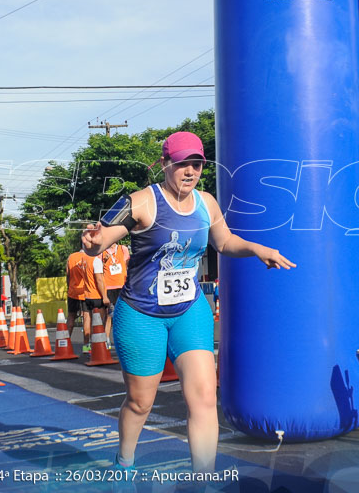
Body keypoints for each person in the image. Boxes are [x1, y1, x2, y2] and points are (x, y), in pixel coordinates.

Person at [81, 131, 295, 475]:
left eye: (196, 163)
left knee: (205, 399)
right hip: (141, 315)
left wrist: (258, 249)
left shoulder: (206, 202)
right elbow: (100, 240)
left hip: (189, 310)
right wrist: (92, 243)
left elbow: (224, 243)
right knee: (140, 403)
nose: (190, 170)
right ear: (165, 164)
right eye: (183, 163)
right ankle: (124, 462)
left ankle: (204, 479)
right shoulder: (140, 202)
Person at [82, 247, 110, 355]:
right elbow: (98, 279)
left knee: (87, 322)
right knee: (99, 323)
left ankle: (86, 347)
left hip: (87, 295)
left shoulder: (84, 259)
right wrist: (104, 296)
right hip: (96, 296)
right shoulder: (95, 261)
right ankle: (97, 347)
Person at [100, 242, 129, 347]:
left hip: (122, 286)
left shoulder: (123, 249)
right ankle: (105, 340)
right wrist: (104, 261)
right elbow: (99, 270)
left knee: (124, 314)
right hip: (109, 287)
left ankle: (125, 340)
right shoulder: (102, 252)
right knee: (109, 315)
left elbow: (127, 265)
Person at [65, 250, 90, 351]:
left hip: (72, 291)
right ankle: (86, 347)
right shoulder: (90, 257)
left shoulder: (71, 257)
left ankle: (65, 345)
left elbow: (68, 274)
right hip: (86, 292)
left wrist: (69, 287)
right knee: (87, 318)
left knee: (71, 317)